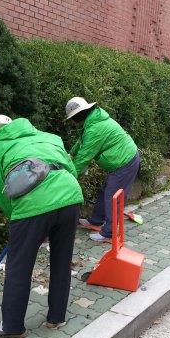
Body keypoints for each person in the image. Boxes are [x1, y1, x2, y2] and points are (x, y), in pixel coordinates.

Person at [0, 115, 83, 338]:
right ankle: (56, 318)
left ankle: (12, 326)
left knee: (19, 266)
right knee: (62, 260)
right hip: (71, 197)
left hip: (33, 206)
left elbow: (2, 193)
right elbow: (71, 170)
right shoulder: (50, 137)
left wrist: (17, 218)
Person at [65, 97, 140, 242]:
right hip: (121, 161)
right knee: (104, 190)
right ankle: (96, 221)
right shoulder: (91, 122)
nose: (73, 123)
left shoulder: (95, 129)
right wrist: (70, 154)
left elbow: (83, 157)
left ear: (78, 116)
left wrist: (69, 176)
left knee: (113, 197)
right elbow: (81, 143)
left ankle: (109, 233)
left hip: (125, 161)